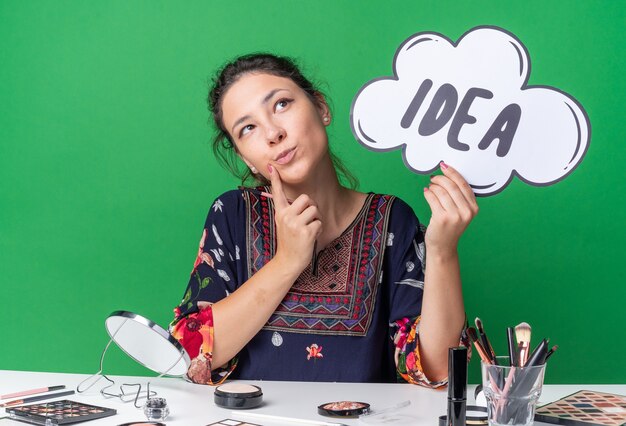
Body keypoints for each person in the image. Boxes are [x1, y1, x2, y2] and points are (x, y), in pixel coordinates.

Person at [170, 53, 478, 387]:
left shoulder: (393, 221)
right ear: (247, 159)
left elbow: (436, 373)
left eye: (282, 104)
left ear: (321, 107)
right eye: (248, 128)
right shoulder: (231, 214)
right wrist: (287, 261)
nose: (273, 133)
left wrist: (443, 251)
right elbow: (191, 353)